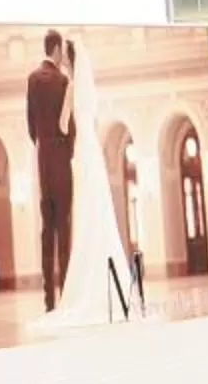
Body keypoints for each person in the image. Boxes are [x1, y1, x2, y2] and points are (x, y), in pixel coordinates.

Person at [50, 37, 139, 326]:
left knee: (85, 214)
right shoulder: (89, 88)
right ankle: (112, 282)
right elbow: (95, 122)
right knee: (99, 213)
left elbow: (63, 124)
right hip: (93, 151)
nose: (62, 59)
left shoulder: (72, 87)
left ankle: (85, 281)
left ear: (71, 60)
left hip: (81, 151)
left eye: (64, 56)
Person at [26, 30, 76, 313]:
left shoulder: (32, 80)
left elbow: (30, 124)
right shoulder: (62, 81)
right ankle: (66, 293)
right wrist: (64, 152)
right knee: (63, 229)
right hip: (60, 160)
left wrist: (43, 147)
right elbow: (71, 127)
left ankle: (48, 301)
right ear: (57, 49)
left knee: (47, 231)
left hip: (43, 161)